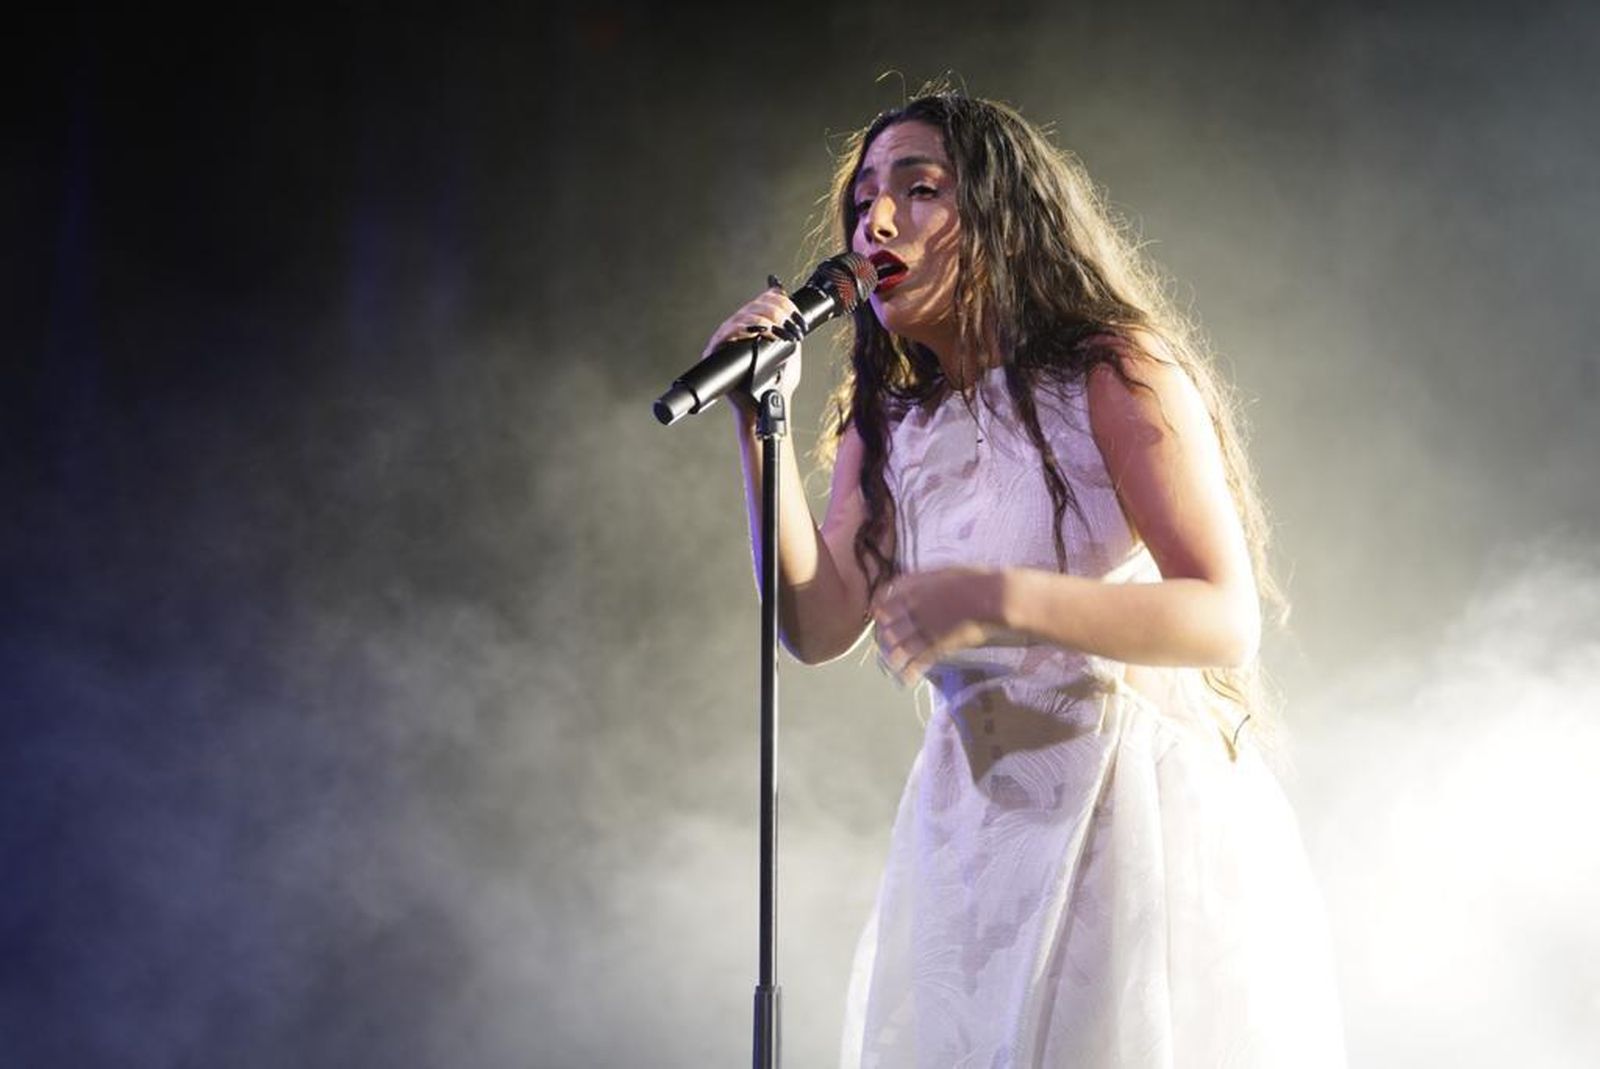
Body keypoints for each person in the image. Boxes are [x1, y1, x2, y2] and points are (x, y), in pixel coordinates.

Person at [703, 91, 1345, 1068]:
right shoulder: (888, 425)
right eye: (863, 199)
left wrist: (996, 598)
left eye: (918, 191)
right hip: (975, 820)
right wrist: (760, 427)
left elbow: (1223, 614)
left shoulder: (1111, 372)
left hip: (1120, 813)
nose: (876, 220)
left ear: (1002, 219)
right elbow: (814, 620)